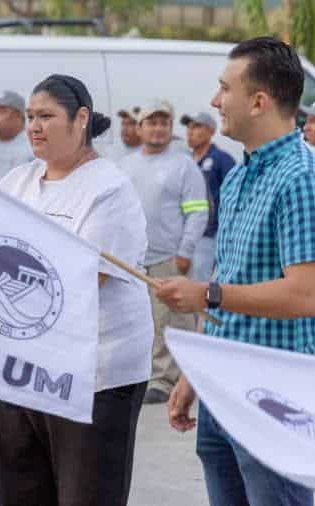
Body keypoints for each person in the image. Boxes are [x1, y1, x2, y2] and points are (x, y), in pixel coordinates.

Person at [158, 37, 315, 506]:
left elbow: (305, 296)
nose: (214, 102)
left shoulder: (303, 178)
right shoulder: (238, 178)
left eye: (223, 88)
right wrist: (195, 372)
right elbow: (231, 274)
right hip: (221, 387)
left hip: (274, 399)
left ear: (258, 101)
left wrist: (208, 295)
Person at [0, 74, 153, 506]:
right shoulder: (18, 182)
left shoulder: (109, 189)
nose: (34, 127)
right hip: (17, 371)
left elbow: (79, 281)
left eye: (46, 116)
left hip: (92, 377)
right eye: (30, 117)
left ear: (80, 118)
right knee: (19, 494)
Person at [118, 99, 209, 405]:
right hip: (133, 261)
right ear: (140, 127)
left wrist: (185, 250)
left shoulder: (183, 165)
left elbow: (198, 211)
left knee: (171, 321)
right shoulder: (125, 165)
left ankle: (166, 380)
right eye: (151, 123)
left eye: (164, 123)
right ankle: (143, 375)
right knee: (140, 322)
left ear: (170, 129)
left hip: (169, 259)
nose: (158, 129)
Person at [180, 111, 235, 283]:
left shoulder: (222, 160)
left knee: (200, 285)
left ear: (210, 131)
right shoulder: (185, 161)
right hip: (184, 236)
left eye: (196, 126)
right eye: (188, 127)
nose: (190, 131)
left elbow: (233, 198)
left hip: (209, 235)